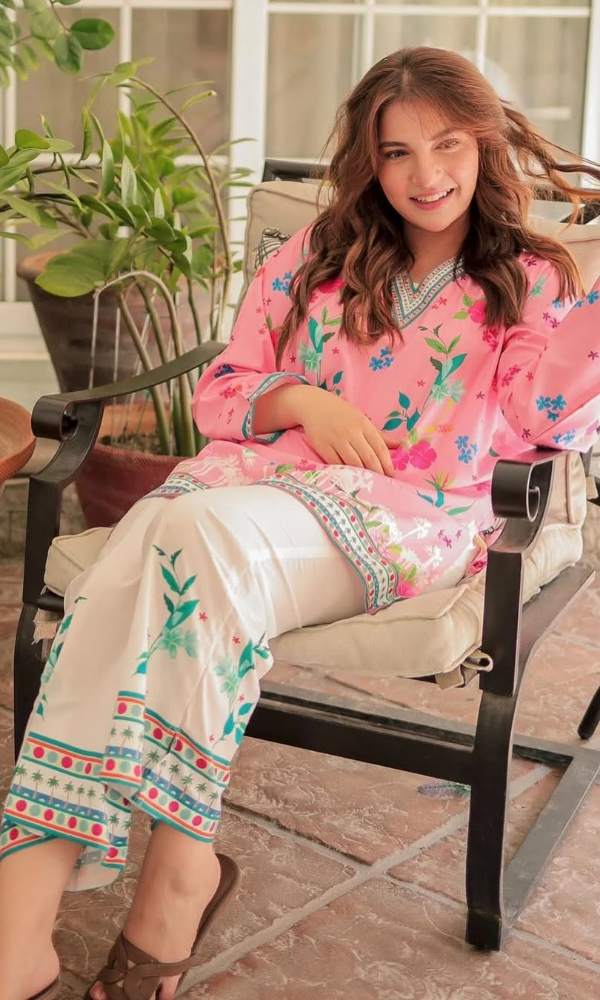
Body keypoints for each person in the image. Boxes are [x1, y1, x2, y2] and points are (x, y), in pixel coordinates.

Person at [2, 45, 600, 1000]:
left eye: (447, 144)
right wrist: (300, 403)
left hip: (409, 518)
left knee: (169, 540)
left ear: (485, 143)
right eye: (397, 152)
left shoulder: (532, 279)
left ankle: (32, 913)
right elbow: (222, 392)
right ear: (371, 160)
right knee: (165, 539)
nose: (426, 174)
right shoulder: (319, 251)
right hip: (247, 488)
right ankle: (130, 892)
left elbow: (552, 422)